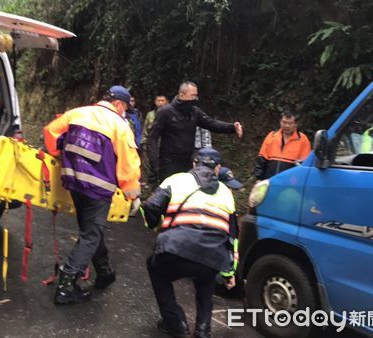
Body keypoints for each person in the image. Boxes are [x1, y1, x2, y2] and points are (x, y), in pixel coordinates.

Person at [44, 85, 141, 305]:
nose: (124, 112)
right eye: (125, 107)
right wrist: (132, 194)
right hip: (98, 189)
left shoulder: (78, 112)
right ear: (118, 104)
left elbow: (51, 131)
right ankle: (66, 286)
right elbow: (128, 164)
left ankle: (104, 272)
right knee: (91, 234)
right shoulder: (119, 124)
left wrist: (59, 154)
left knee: (91, 230)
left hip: (74, 181)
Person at [141, 147, 238, 338]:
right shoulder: (227, 193)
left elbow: (150, 206)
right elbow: (232, 238)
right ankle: (203, 329)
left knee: (155, 269)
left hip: (176, 248)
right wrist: (229, 273)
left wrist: (157, 229)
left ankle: (175, 323)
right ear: (218, 168)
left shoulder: (176, 179)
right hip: (212, 255)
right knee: (206, 279)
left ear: (194, 163)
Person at [147, 81, 243, 182]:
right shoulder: (165, 112)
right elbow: (152, 139)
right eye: (192, 96)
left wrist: (232, 127)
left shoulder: (194, 112)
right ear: (182, 95)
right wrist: (156, 165)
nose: (195, 99)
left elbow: (211, 123)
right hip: (168, 163)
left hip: (188, 162)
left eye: (196, 96)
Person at [254, 110, 311, 180]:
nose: (286, 126)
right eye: (284, 122)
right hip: (269, 181)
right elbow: (262, 160)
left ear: (296, 124)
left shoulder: (303, 140)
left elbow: (305, 166)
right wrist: (259, 179)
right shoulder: (272, 136)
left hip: (290, 183)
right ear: (280, 122)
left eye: (290, 123)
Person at [141, 95, 168, 191]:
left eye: (162, 100)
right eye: (158, 100)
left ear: (166, 102)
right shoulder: (150, 115)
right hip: (151, 146)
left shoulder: (169, 113)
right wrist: (143, 143)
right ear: (155, 102)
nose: (160, 102)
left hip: (164, 146)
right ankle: (150, 189)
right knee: (149, 168)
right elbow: (145, 129)